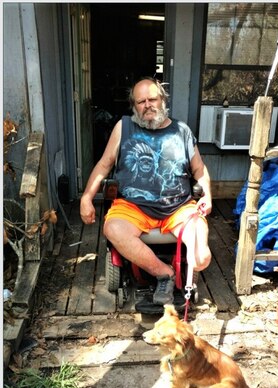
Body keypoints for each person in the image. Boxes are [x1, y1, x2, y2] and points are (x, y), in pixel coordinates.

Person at [80, 78, 212, 305]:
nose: (147, 105)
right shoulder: (124, 127)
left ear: (163, 101)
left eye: (152, 99)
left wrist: (207, 194)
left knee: (202, 258)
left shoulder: (182, 131)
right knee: (112, 228)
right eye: (141, 101)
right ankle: (165, 273)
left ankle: (187, 269)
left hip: (178, 208)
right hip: (133, 207)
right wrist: (86, 197)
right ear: (134, 106)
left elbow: (198, 168)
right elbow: (104, 165)